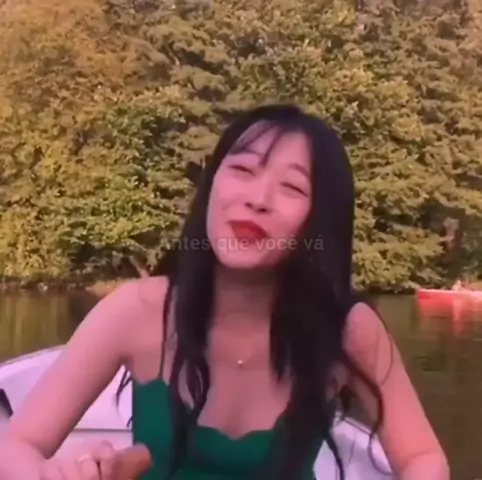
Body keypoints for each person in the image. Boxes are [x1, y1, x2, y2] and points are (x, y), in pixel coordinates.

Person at [0, 104, 449, 479]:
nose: (258, 199)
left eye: (292, 187)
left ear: (319, 221)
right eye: (242, 169)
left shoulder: (349, 329)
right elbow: (17, 444)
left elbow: (423, 458)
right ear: (212, 187)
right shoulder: (139, 311)